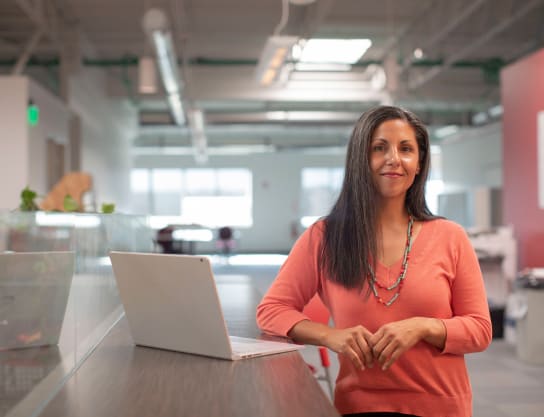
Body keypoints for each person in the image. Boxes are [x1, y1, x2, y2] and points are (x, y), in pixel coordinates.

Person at [256, 105, 492, 417]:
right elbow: (271, 311)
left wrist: (423, 327)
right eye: (379, 148)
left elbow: (480, 330)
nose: (394, 158)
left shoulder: (451, 236)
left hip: (440, 407)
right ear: (360, 160)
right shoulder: (324, 237)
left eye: (406, 149)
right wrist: (330, 336)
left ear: (419, 163)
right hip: (358, 406)